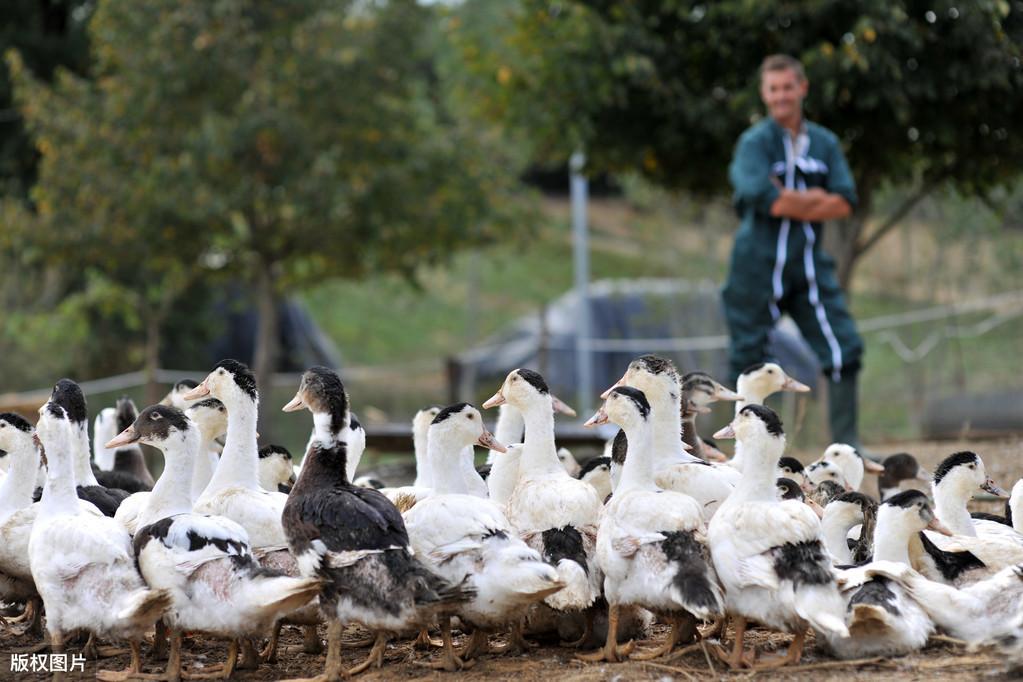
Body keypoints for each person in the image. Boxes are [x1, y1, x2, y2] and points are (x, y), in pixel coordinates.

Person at [722, 54, 864, 448]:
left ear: (802, 88)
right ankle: (745, 450)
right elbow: (765, 200)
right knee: (748, 360)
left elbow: (844, 202)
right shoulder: (754, 143)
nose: (781, 96)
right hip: (756, 268)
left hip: (809, 268)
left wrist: (789, 196)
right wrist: (815, 197)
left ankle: (847, 447)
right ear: (764, 94)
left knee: (843, 347)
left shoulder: (825, 143)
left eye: (788, 87)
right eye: (773, 89)